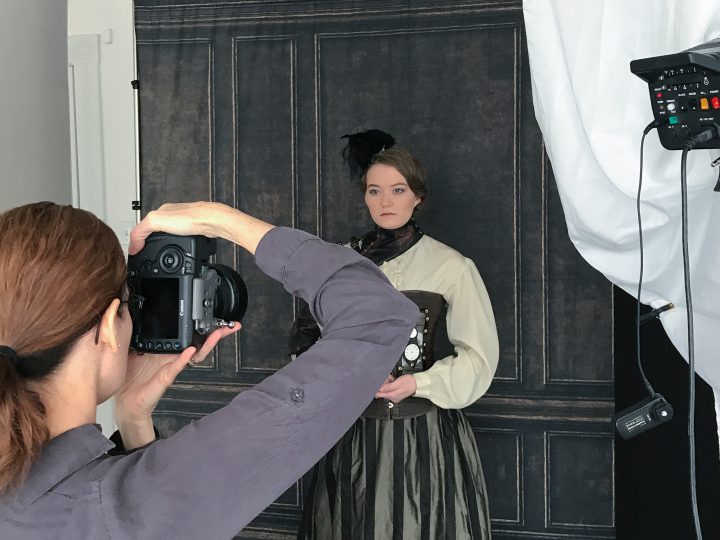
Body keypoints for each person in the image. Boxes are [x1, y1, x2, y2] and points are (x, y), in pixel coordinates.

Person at [0, 200, 417, 539]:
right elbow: (378, 315)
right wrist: (222, 220)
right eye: (130, 303)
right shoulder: (124, 507)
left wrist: (133, 421)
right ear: (110, 326)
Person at [294, 132, 499, 539]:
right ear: (365, 196)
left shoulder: (451, 266)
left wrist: (417, 383)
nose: (385, 201)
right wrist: (347, 375)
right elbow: (307, 341)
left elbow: (479, 357)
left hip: (424, 437)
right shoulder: (340, 262)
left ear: (417, 196)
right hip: (353, 433)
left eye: (397, 190)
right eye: (375, 190)